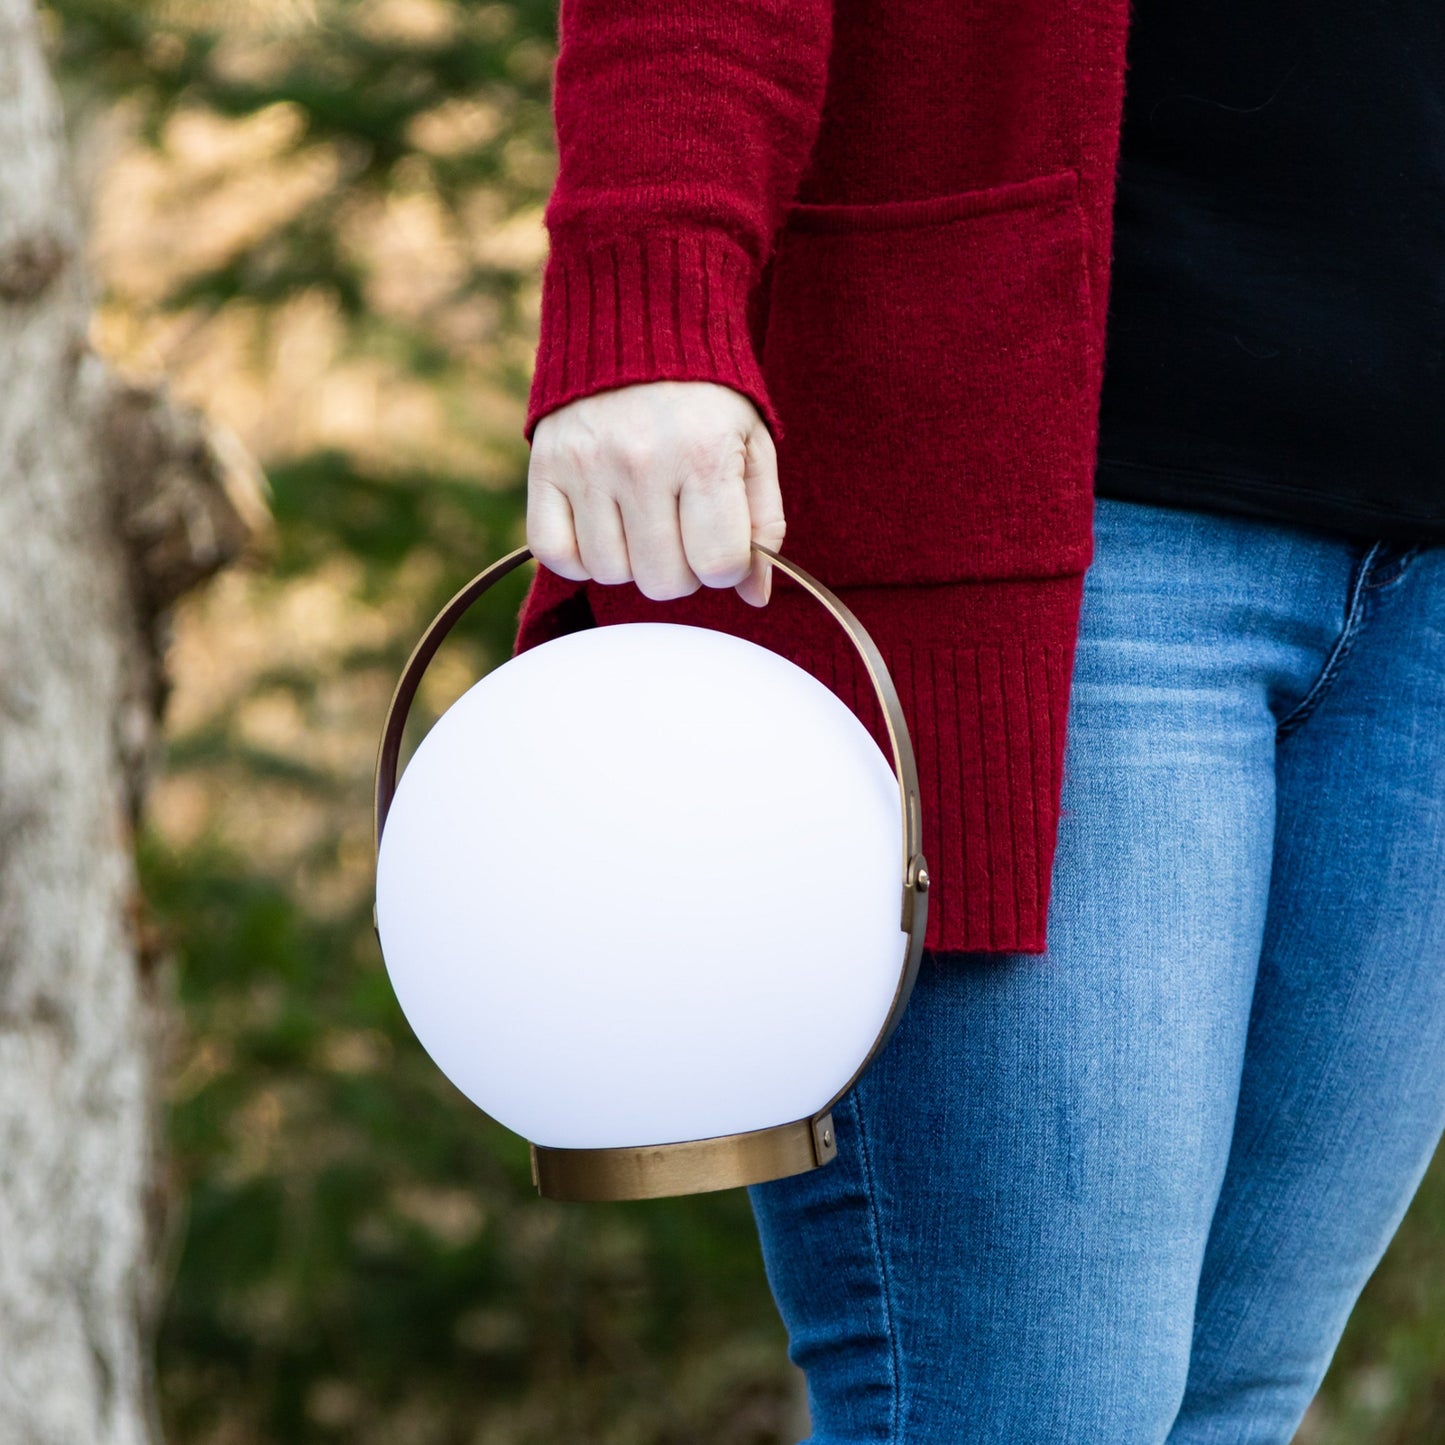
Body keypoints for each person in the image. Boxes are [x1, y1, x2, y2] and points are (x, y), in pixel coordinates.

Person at [513, 0, 1445, 1437]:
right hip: (1048, 510)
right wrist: (647, 287)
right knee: (1031, 1411)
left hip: (1420, 595)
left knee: (1230, 1401)